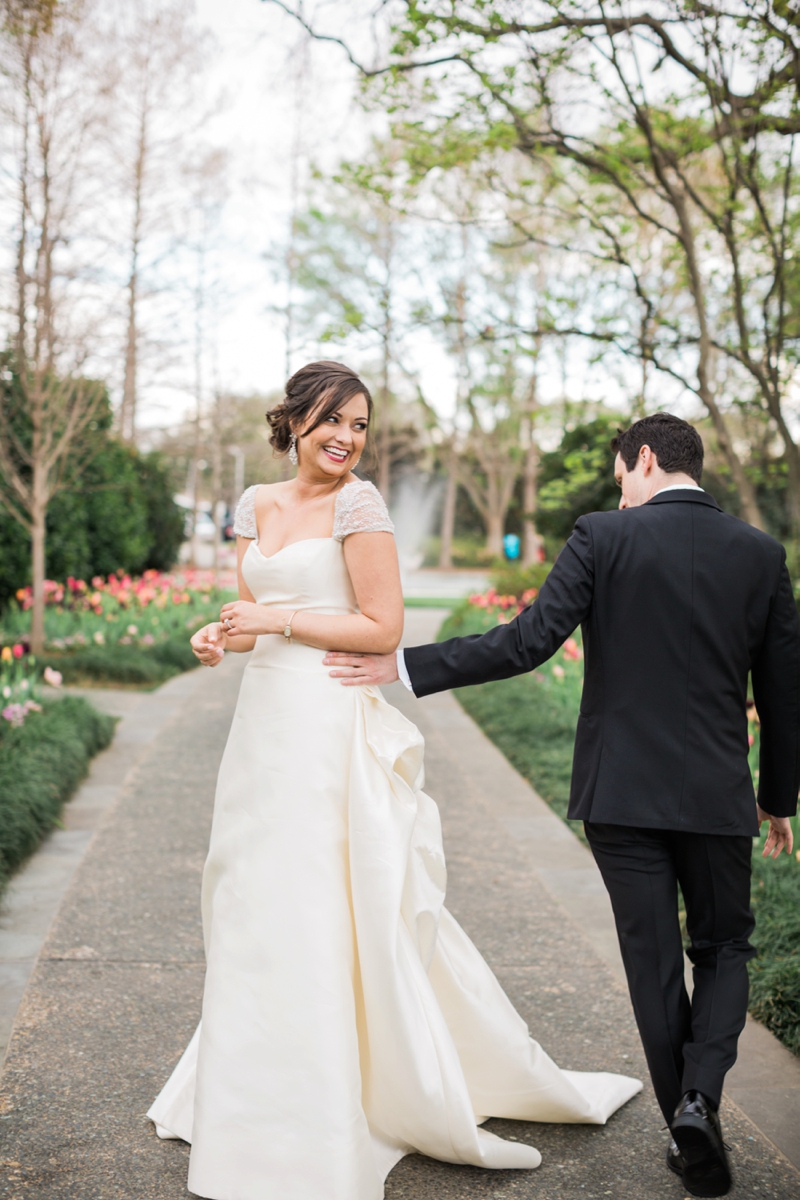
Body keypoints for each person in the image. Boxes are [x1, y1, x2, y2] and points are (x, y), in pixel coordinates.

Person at [147, 361, 640, 1200]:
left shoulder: (359, 505)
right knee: (250, 897)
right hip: (261, 731)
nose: (347, 437)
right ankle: (250, 1091)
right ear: (295, 420)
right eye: (333, 420)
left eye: (361, 425)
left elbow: (383, 627)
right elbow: (248, 622)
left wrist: (277, 619)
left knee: (322, 901)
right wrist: (219, 635)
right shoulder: (255, 504)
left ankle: (334, 1103)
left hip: (329, 721)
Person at [326, 412, 800, 1200]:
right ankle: (698, 1101)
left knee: (652, 964)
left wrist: (403, 666)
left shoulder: (601, 539)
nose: (618, 494)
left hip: (620, 794)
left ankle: (687, 1126)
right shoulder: (759, 554)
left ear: (643, 458)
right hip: (718, 797)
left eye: (620, 476)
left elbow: (527, 641)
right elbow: (784, 691)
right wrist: (778, 798)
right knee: (723, 948)